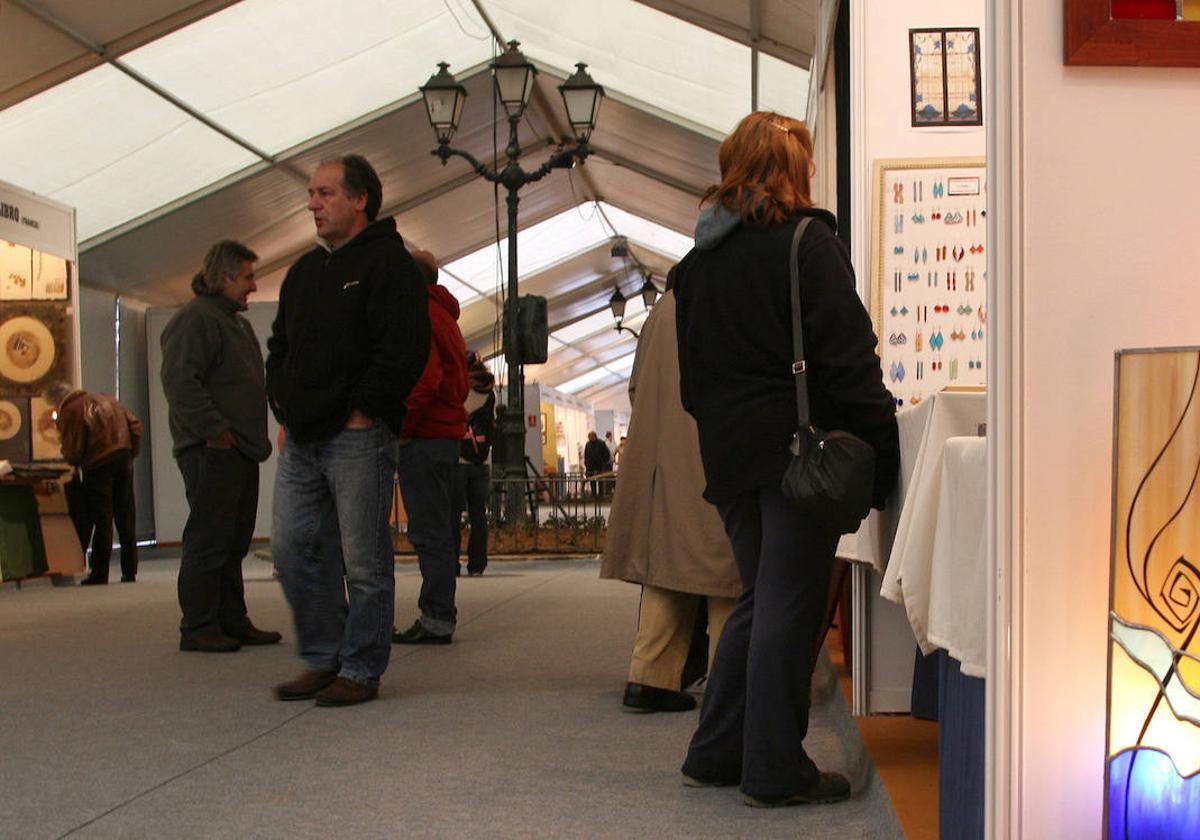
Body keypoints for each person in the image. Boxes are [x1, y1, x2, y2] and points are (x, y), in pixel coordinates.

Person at [674, 112, 900, 807]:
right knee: (789, 607)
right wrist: (883, 453)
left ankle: (717, 749)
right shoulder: (808, 242)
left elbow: (692, 382)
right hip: (801, 453)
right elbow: (848, 359)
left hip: (730, 454)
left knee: (759, 599)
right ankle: (773, 768)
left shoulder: (696, 266)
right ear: (795, 169)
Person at [266, 154, 430, 707]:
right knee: (292, 550)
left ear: (361, 199)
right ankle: (323, 655)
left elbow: (405, 349)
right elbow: (279, 347)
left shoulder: (391, 266)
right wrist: (284, 406)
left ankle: (360, 668)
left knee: (364, 560)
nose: (313, 203)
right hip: (302, 438)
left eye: (326, 193)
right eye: (311, 194)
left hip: (358, 436)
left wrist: (365, 409)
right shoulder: (305, 272)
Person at [601, 267, 740, 713]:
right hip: (712, 454)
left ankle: (649, 677)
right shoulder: (720, 303)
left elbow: (637, 387)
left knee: (668, 571)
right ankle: (728, 685)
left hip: (663, 461)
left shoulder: (660, 313)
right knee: (725, 572)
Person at [160, 240, 281, 653]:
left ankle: (231, 618)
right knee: (209, 539)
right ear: (225, 277)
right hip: (212, 449)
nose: (253, 285)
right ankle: (198, 625)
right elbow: (180, 382)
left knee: (234, 540)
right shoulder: (195, 320)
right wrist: (215, 430)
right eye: (247, 276)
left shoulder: (234, 322)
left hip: (238, 449)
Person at [391, 250, 468, 646]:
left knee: (429, 530)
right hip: (443, 435)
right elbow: (456, 378)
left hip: (425, 436)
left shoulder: (419, 314)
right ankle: (439, 613)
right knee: (439, 527)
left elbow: (425, 379)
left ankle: (437, 616)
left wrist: (402, 427)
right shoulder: (445, 315)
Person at [46, 382, 141, 585]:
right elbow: (136, 426)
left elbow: (74, 449)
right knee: (126, 516)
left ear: (56, 400)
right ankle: (130, 571)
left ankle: (100, 573)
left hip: (97, 465)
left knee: (102, 518)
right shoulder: (109, 399)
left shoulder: (70, 410)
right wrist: (130, 453)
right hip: (123, 458)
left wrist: (71, 460)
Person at [451, 351, 495, 577]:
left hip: (458, 459)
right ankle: (477, 564)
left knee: (454, 514)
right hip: (482, 461)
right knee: (479, 515)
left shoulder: (459, 386)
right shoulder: (488, 391)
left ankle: (453, 563)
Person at [583, 431, 610, 497]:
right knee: (592, 481)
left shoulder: (601, 443)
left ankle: (601, 494)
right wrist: (586, 464)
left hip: (600, 466)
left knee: (600, 481)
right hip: (590, 467)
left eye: (591, 437)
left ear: (594, 436)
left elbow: (607, 454)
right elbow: (586, 455)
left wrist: (604, 463)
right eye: (589, 437)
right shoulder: (588, 444)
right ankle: (593, 494)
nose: (590, 438)